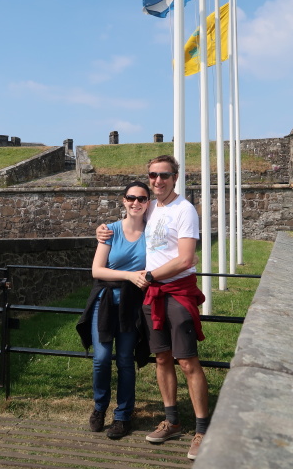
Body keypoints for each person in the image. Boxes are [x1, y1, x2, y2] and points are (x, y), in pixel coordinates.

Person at [97, 155, 209, 460]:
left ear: (175, 177)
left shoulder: (184, 210)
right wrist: (103, 231)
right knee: (162, 359)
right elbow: (129, 220)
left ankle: (201, 430)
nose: (157, 180)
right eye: (153, 175)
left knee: (187, 362)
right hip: (153, 295)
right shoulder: (153, 208)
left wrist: (149, 276)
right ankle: (172, 420)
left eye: (164, 175)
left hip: (174, 292)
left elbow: (187, 259)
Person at [76, 181, 151, 440]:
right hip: (106, 302)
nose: (136, 203)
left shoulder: (152, 233)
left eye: (141, 199)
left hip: (132, 305)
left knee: (125, 361)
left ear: (148, 203)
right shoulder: (110, 231)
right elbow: (97, 270)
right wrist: (130, 276)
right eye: (131, 198)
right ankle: (99, 407)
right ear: (123, 200)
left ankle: (122, 416)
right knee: (101, 358)